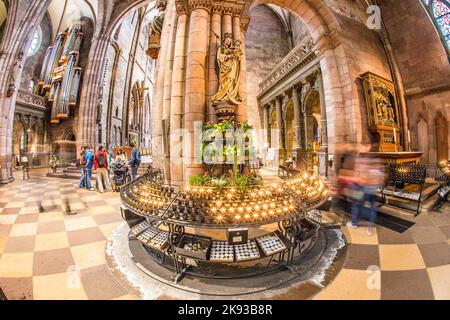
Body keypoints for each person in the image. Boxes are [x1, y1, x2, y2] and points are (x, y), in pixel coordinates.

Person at [346, 156, 385, 236]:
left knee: (356, 206)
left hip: (364, 192)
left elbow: (363, 181)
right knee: (371, 209)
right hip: (372, 193)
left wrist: (355, 181)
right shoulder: (380, 173)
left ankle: (354, 223)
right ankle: (369, 229)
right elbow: (380, 184)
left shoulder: (368, 170)